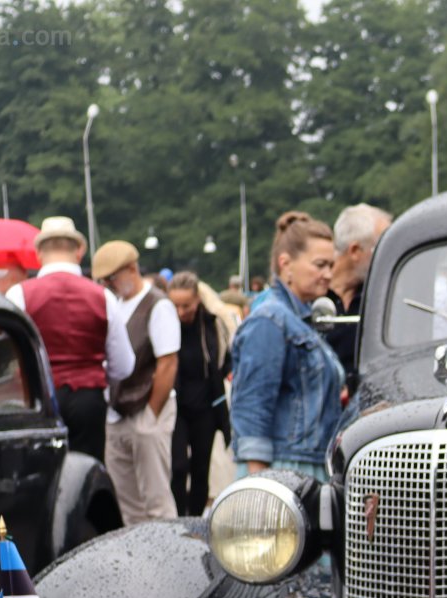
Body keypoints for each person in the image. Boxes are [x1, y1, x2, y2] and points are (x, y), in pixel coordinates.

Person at [6, 216, 134, 462]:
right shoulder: (104, 297)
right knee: (86, 473)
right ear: (79, 251)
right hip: (88, 400)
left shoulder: (18, 295)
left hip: (39, 398)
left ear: (39, 254)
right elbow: (124, 366)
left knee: (42, 472)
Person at [230, 212, 344, 482]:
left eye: (331, 265)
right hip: (283, 472)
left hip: (307, 467)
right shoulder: (270, 320)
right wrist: (260, 487)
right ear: (285, 264)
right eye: (320, 265)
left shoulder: (298, 321)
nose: (328, 274)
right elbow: (252, 406)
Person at [92, 240, 181, 524]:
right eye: (104, 280)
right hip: (118, 412)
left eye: (112, 278)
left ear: (132, 269)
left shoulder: (158, 304)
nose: (108, 284)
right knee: (127, 503)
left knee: (156, 500)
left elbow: (168, 362)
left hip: (145, 409)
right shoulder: (116, 305)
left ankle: (167, 549)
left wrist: (151, 415)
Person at [166, 271, 236, 515]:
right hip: (176, 407)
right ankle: (177, 518)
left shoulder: (211, 324)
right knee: (178, 467)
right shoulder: (166, 324)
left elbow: (224, 360)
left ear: (197, 299)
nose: (180, 312)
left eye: (186, 305)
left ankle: (194, 519)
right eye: (175, 305)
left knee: (200, 469)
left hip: (206, 406)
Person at [326, 204, 393, 384]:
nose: (389, 256)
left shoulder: (381, 296)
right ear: (355, 251)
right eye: (381, 247)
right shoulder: (313, 295)